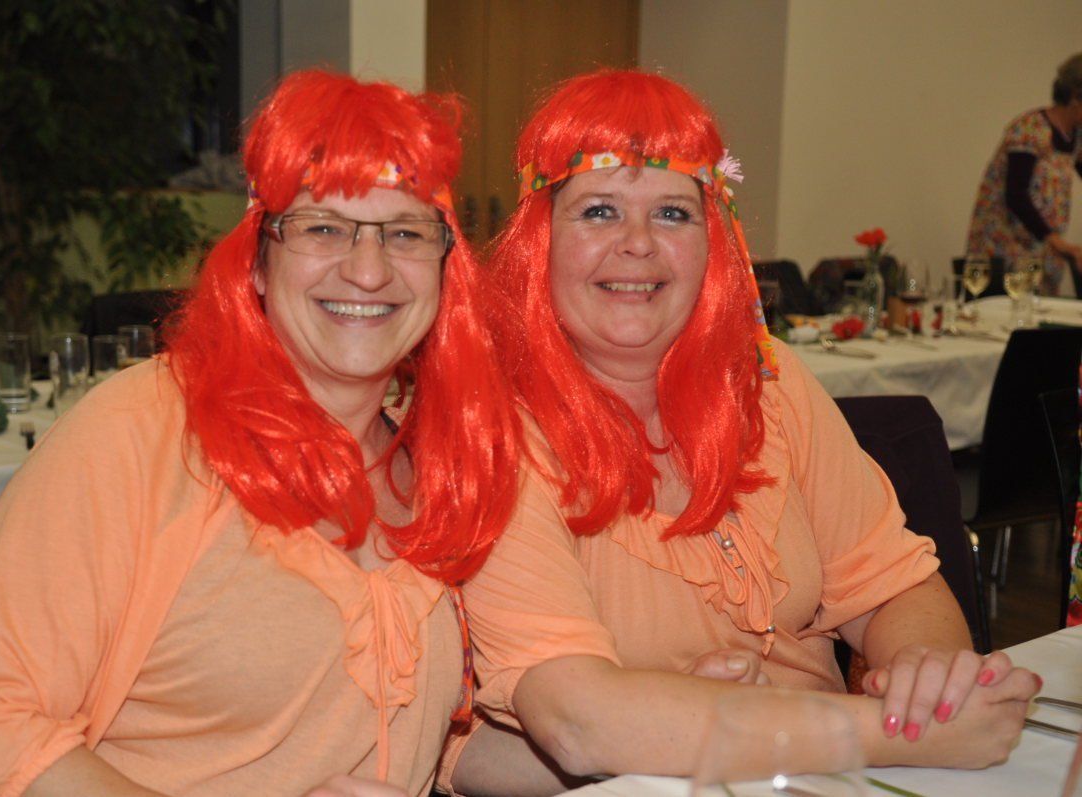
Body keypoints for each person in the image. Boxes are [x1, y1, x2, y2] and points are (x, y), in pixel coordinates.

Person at [0, 71, 521, 797]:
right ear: (258, 260)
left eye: (405, 232)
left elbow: (427, 738)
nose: (368, 270)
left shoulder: (437, 464)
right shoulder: (139, 435)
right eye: (323, 227)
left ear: (445, 265)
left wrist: (614, 757)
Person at [444, 70, 1040, 794]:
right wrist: (896, 733)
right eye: (599, 211)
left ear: (713, 241)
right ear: (539, 240)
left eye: (673, 213)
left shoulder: (768, 381)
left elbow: (893, 585)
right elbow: (574, 721)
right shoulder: (493, 430)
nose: (638, 244)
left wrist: (926, 676)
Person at [966, 52, 1082, 295]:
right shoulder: (1030, 129)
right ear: (1075, 96)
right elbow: (1016, 195)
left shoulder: (1077, 135)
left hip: (1042, 250)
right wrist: (1056, 241)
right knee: (1010, 312)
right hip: (1004, 250)